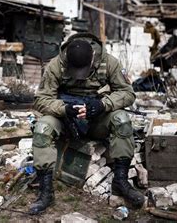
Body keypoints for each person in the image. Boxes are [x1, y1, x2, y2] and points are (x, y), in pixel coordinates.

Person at [29, 33, 144, 215]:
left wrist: (102, 105)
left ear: (93, 60)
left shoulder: (109, 62)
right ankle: (46, 191)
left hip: (97, 117)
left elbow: (127, 93)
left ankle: (120, 181)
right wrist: (64, 109)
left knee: (121, 119)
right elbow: (41, 99)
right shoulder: (56, 65)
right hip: (65, 119)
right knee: (43, 128)